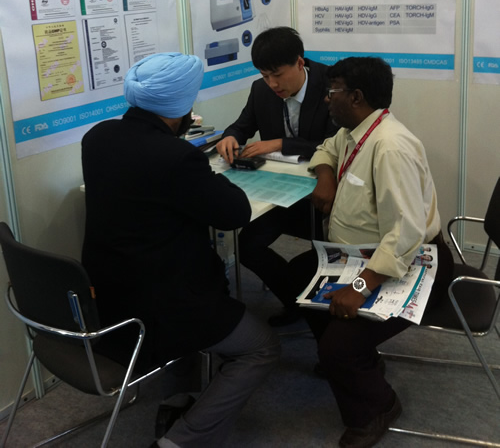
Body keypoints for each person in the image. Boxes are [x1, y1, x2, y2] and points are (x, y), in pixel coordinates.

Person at [81, 52, 280, 448]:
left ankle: (178, 399)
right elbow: (234, 213)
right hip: (165, 304)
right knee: (261, 347)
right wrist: (208, 173)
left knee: (185, 286)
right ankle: (179, 442)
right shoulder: (177, 157)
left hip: (108, 296)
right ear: (182, 108)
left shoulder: (97, 137)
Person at [287, 56, 454, 448]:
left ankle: (378, 407)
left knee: (337, 348)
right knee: (296, 277)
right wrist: (325, 176)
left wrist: (361, 286)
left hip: (413, 262)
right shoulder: (354, 130)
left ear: (356, 97)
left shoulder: (390, 146)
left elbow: (406, 233)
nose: (326, 99)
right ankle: (361, 359)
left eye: (332, 92)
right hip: (361, 255)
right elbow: (326, 149)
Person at [216, 27, 337, 326]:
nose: (272, 84)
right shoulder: (261, 90)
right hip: (280, 192)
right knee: (247, 248)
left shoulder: (331, 86)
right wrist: (230, 137)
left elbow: (335, 144)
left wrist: (281, 143)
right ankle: (297, 303)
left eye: (277, 75)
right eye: (264, 75)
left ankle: (320, 311)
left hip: (324, 193)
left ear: (300, 63)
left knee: (324, 255)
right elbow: (242, 125)